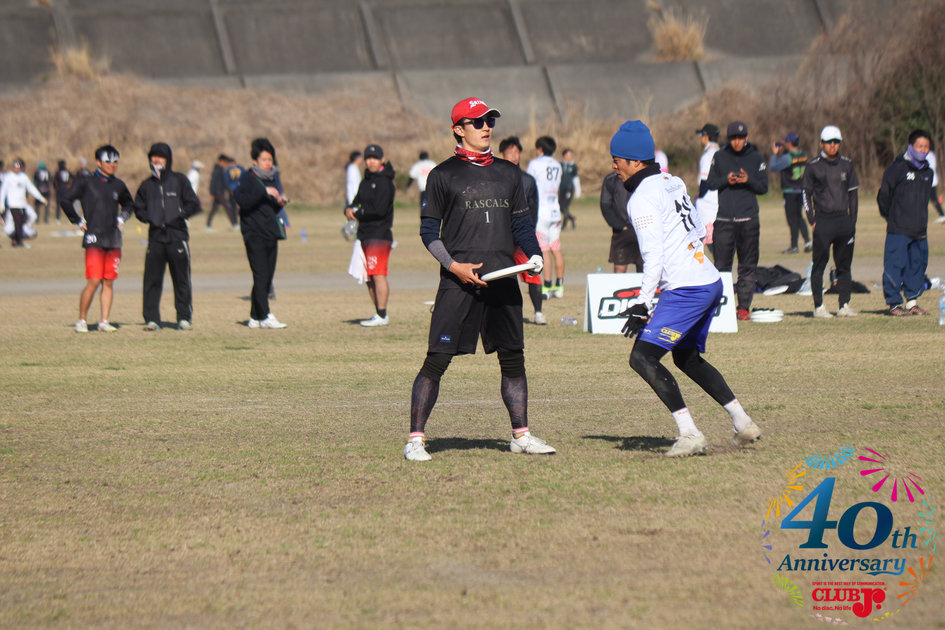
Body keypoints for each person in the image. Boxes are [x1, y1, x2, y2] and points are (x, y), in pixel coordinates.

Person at [403, 96, 553, 462]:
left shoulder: (509, 173)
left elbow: (521, 224)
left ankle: (521, 435)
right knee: (437, 360)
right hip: (458, 282)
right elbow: (428, 232)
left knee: (513, 359)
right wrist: (454, 266)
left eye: (490, 121)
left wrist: (534, 255)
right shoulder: (442, 175)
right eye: (478, 122)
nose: (487, 127)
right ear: (458, 129)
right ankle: (415, 441)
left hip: (504, 280)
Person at [610, 120, 761, 457]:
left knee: (642, 358)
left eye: (616, 160)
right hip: (709, 280)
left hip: (687, 289)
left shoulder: (640, 198)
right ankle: (743, 422)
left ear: (634, 161)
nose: (614, 167)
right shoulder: (673, 181)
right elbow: (697, 229)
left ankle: (690, 433)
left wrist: (642, 303)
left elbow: (653, 255)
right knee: (686, 357)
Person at [59, 145, 134, 333]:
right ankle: (82, 320)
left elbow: (129, 204)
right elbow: (65, 200)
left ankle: (104, 321)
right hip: (94, 238)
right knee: (94, 280)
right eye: (108, 161)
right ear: (99, 163)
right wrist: (78, 220)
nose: (112, 165)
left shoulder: (118, 185)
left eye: (115, 161)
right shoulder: (86, 182)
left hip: (113, 240)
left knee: (108, 282)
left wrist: (122, 218)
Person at [133, 143, 202, 331]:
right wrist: (149, 217)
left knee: (181, 280)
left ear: (168, 159)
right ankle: (152, 319)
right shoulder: (147, 185)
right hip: (156, 238)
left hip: (177, 237)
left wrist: (180, 215)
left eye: (161, 156)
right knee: (152, 281)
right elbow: (138, 208)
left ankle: (184, 317)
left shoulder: (179, 180)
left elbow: (194, 203)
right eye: (153, 157)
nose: (157, 160)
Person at [706, 121, 768, 321]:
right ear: (728, 139)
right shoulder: (720, 156)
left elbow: (764, 187)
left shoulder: (756, 157)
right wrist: (727, 179)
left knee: (747, 266)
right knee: (721, 266)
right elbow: (711, 183)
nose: (737, 141)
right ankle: (721, 308)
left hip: (748, 220)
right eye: (733, 138)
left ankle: (743, 308)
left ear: (746, 137)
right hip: (724, 220)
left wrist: (748, 180)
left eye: (741, 138)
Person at [801, 125, 860, 318]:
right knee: (819, 265)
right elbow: (805, 194)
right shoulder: (813, 166)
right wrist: (812, 220)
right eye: (828, 142)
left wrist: (852, 221)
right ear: (821, 143)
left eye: (836, 142)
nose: (833, 145)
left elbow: (853, 195)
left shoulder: (847, 164)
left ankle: (844, 305)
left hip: (844, 221)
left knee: (844, 265)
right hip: (823, 221)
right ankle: (819, 306)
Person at [877, 129, 935, 316]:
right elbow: (884, 196)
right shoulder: (898, 168)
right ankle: (894, 304)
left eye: (926, 147)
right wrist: (891, 217)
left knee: (917, 266)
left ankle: (912, 302)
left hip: (919, 230)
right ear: (911, 146)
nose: (923, 150)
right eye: (919, 146)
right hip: (898, 229)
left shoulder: (928, 172)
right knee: (894, 265)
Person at [235, 138, 289, 329]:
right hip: (254, 233)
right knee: (260, 274)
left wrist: (278, 202)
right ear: (255, 160)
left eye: (270, 159)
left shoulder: (272, 177)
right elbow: (242, 201)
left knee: (267, 276)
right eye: (264, 159)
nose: (268, 163)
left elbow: (269, 207)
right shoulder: (248, 178)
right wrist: (263, 191)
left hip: (270, 232)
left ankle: (254, 316)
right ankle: (265, 314)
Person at [344, 143, 395, 327]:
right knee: (368, 277)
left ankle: (382, 314)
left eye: (375, 158)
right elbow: (356, 202)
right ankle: (378, 313)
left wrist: (358, 213)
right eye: (368, 158)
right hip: (364, 234)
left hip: (379, 234)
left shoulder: (385, 182)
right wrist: (348, 209)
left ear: (382, 160)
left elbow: (379, 210)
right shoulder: (365, 181)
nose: (371, 162)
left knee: (378, 274)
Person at [499, 135, 545, 324]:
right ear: (502, 154)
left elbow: (533, 208)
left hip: (521, 238)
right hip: (501, 238)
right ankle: (506, 314)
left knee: (532, 272)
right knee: (504, 277)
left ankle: (538, 312)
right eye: (510, 152)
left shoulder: (528, 180)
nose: (514, 156)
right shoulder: (495, 178)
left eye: (517, 152)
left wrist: (527, 233)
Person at [526, 135, 565, 299]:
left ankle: (547, 286)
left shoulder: (535, 164)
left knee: (545, 251)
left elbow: (528, 184)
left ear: (540, 149)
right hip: (555, 211)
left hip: (541, 213)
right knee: (556, 249)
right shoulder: (557, 165)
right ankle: (559, 285)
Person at [769, 132, 811, 254]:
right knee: (799, 217)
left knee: (792, 219)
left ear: (790, 143)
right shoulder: (803, 154)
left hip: (790, 191)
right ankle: (808, 242)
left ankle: (794, 246)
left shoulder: (787, 157)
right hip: (801, 189)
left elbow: (773, 167)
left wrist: (775, 154)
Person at [600, 171, 642, 272]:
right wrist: (619, 226)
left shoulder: (644, 178)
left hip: (642, 229)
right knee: (619, 268)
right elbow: (605, 205)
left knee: (645, 267)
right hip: (622, 231)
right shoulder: (611, 179)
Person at [1, 158, 47, 248]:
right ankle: (19, 241)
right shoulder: (8, 177)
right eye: (15, 167)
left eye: (18, 168)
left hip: (22, 204)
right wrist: (1, 204)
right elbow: (3, 191)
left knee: (21, 222)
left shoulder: (23, 177)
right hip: (13, 204)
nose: (16, 169)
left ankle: (15, 240)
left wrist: (41, 198)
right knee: (17, 222)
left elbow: (31, 188)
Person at [694, 124, 720, 252]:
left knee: (709, 245)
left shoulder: (707, 156)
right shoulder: (721, 152)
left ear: (706, 137)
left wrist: (698, 198)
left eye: (702, 136)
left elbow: (704, 183)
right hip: (719, 203)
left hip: (707, 206)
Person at [206, 154, 237, 231]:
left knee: (214, 209)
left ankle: (208, 226)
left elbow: (224, 183)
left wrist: (229, 190)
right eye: (225, 161)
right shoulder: (217, 170)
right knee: (228, 207)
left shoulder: (221, 170)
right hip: (218, 193)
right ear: (221, 161)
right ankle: (234, 224)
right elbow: (213, 182)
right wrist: (212, 193)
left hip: (220, 192)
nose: (225, 163)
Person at [559, 148, 578, 230]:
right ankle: (572, 218)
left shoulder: (573, 166)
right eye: (568, 155)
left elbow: (576, 178)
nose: (569, 157)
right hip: (561, 188)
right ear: (564, 155)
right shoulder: (559, 165)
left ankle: (564, 225)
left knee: (565, 206)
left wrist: (578, 190)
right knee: (560, 206)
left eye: (570, 155)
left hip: (569, 189)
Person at [53, 159, 73, 225]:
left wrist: (56, 188)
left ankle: (58, 218)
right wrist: (70, 185)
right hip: (66, 189)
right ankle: (70, 218)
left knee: (58, 205)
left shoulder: (58, 172)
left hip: (60, 190)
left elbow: (54, 181)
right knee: (67, 204)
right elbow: (73, 177)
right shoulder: (67, 172)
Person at [928, 142, 944, 223]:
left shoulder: (928, 155)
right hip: (931, 180)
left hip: (930, 180)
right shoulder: (931, 154)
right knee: (932, 198)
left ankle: (942, 215)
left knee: (933, 199)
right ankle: (942, 215)